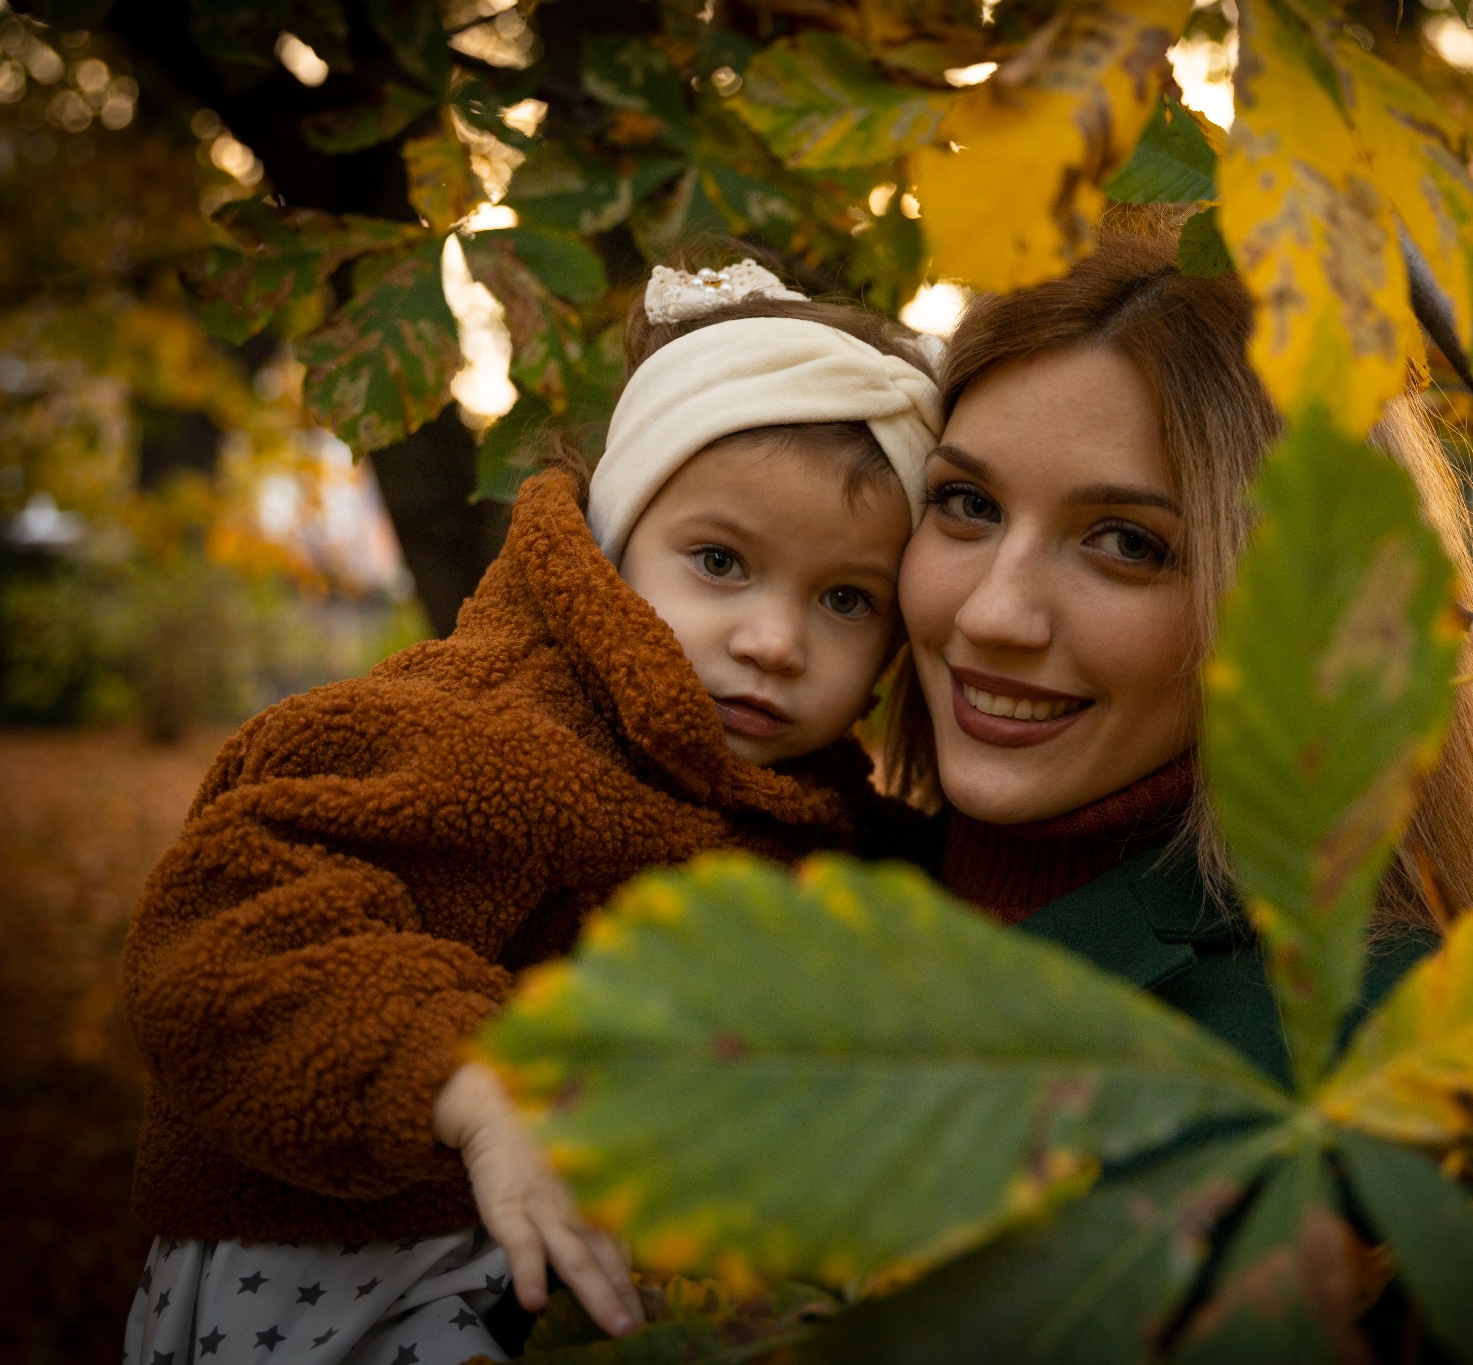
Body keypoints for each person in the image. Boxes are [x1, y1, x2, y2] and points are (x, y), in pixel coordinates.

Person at [119, 261, 943, 1365]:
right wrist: (463, 1080)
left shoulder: (809, 814)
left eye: (845, 599)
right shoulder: (483, 725)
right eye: (719, 562)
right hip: (343, 1255)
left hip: (569, 1282)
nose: (773, 640)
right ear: (613, 541)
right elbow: (233, 930)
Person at [877, 217, 1473, 1084]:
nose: (992, 613)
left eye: (1129, 544)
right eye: (968, 503)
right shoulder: (799, 865)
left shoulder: (1391, 1034)